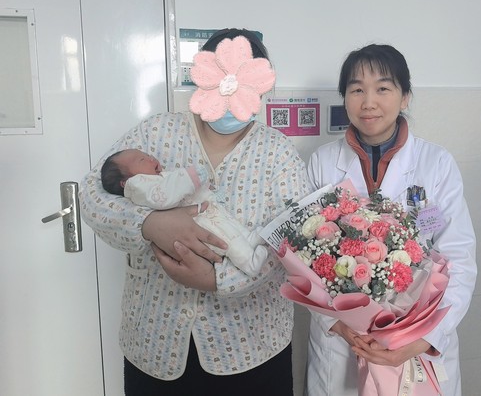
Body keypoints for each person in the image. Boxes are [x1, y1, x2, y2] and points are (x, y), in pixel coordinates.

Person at [79, 28, 309, 396]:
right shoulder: (155, 133)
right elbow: (92, 193)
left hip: (252, 347)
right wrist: (149, 223)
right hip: (156, 345)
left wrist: (220, 280)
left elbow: (292, 237)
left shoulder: (278, 152)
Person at [305, 44, 477, 396]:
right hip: (343, 343)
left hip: (416, 341)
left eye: (383, 88)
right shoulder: (322, 163)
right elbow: (303, 260)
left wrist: (424, 337)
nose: (369, 102)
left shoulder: (435, 164)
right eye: (357, 90)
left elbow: (458, 256)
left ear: (405, 97)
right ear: (345, 98)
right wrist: (338, 324)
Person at [100, 148, 268, 277]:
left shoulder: (156, 179)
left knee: (229, 225)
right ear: (125, 182)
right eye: (142, 159)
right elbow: (165, 195)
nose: (151, 158)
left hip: (205, 212)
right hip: (198, 223)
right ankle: (249, 263)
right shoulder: (139, 186)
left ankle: (249, 239)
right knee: (225, 239)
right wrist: (191, 176)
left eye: (147, 155)